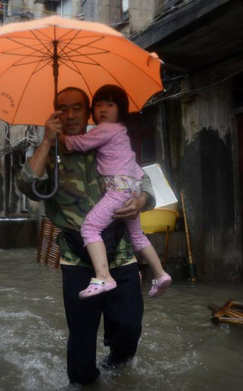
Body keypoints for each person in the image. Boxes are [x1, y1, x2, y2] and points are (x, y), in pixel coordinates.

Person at [17, 87, 156, 385]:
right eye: (62, 108)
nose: (69, 115)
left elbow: (143, 179)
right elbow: (27, 185)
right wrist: (45, 142)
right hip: (77, 258)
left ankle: (115, 369)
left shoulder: (105, 140)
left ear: (88, 111)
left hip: (120, 252)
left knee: (130, 327)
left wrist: (142, 201)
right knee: (80, 355)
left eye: (77, 108)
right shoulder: (51, 155)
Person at [58, 85, 172, 299]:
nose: (102, 109)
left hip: (118, 190)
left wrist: (60, 137)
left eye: (110, 105)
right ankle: (160, 273)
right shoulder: (121, 135)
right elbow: (135, 168)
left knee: (90, 228)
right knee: (137, 236)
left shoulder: (106, 129)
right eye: (99, 105)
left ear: (120, 110)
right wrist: (138, 194)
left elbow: (80, 143)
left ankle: (103, 276)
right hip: (131, 187)